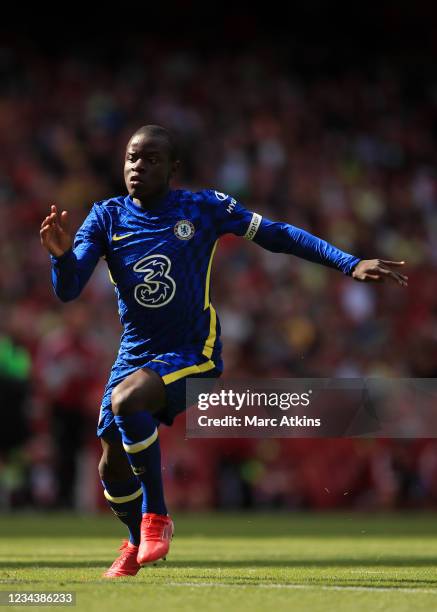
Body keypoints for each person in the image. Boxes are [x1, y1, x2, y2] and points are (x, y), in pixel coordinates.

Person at [40, 124, 408, 578]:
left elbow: (278, 234)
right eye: (133, 157)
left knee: (127, 401)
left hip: (194, 351)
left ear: (173, 168)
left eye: (151, 159)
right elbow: (68, 289)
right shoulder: (106, 217)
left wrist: (349, 263)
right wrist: (60, 257)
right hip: (134, 355)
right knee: (111, 460)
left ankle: (158, 517)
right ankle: (135, 544)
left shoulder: (204, 207)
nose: (138, 167)